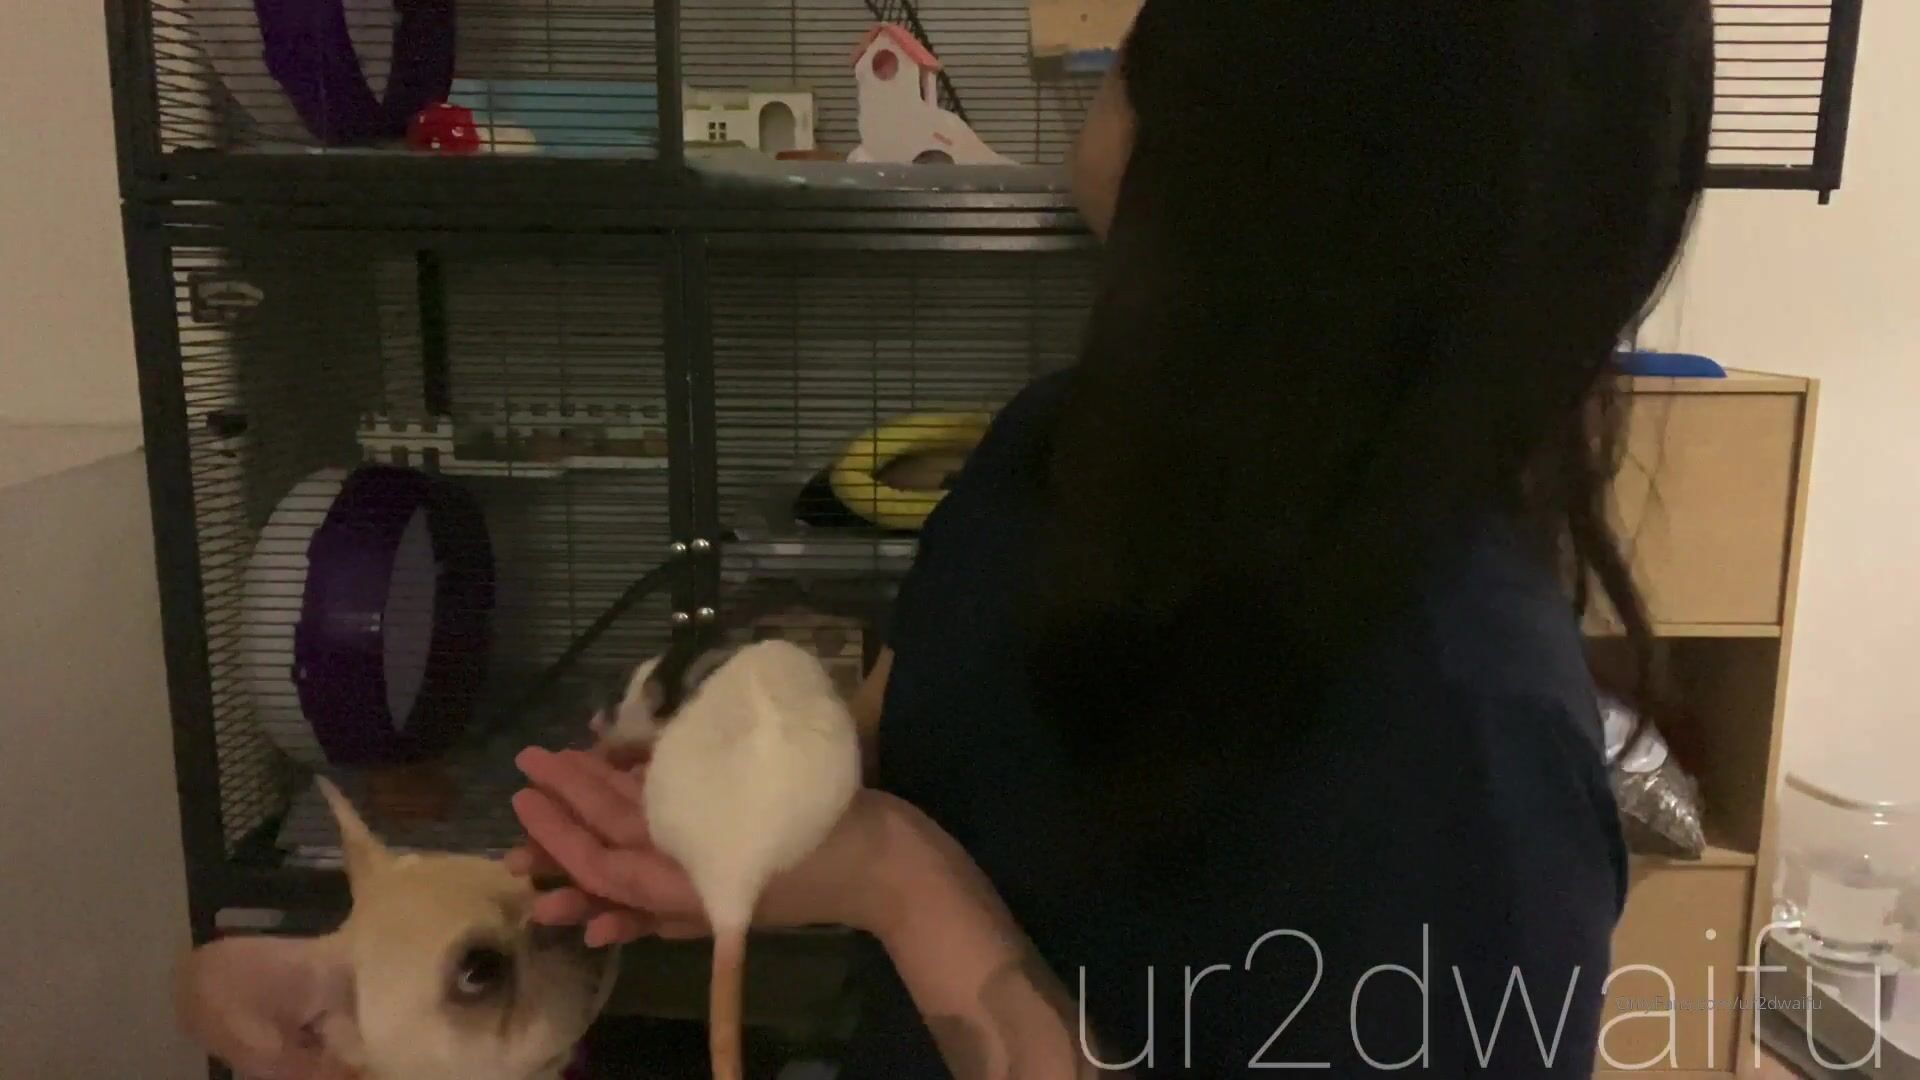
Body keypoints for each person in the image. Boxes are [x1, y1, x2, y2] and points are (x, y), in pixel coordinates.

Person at [181, 3, 1713, 1076]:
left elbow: (911, 847)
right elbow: (925, 724)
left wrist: (896, 879)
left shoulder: (1471, 769)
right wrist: (721, 795)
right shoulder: (1064, 448)